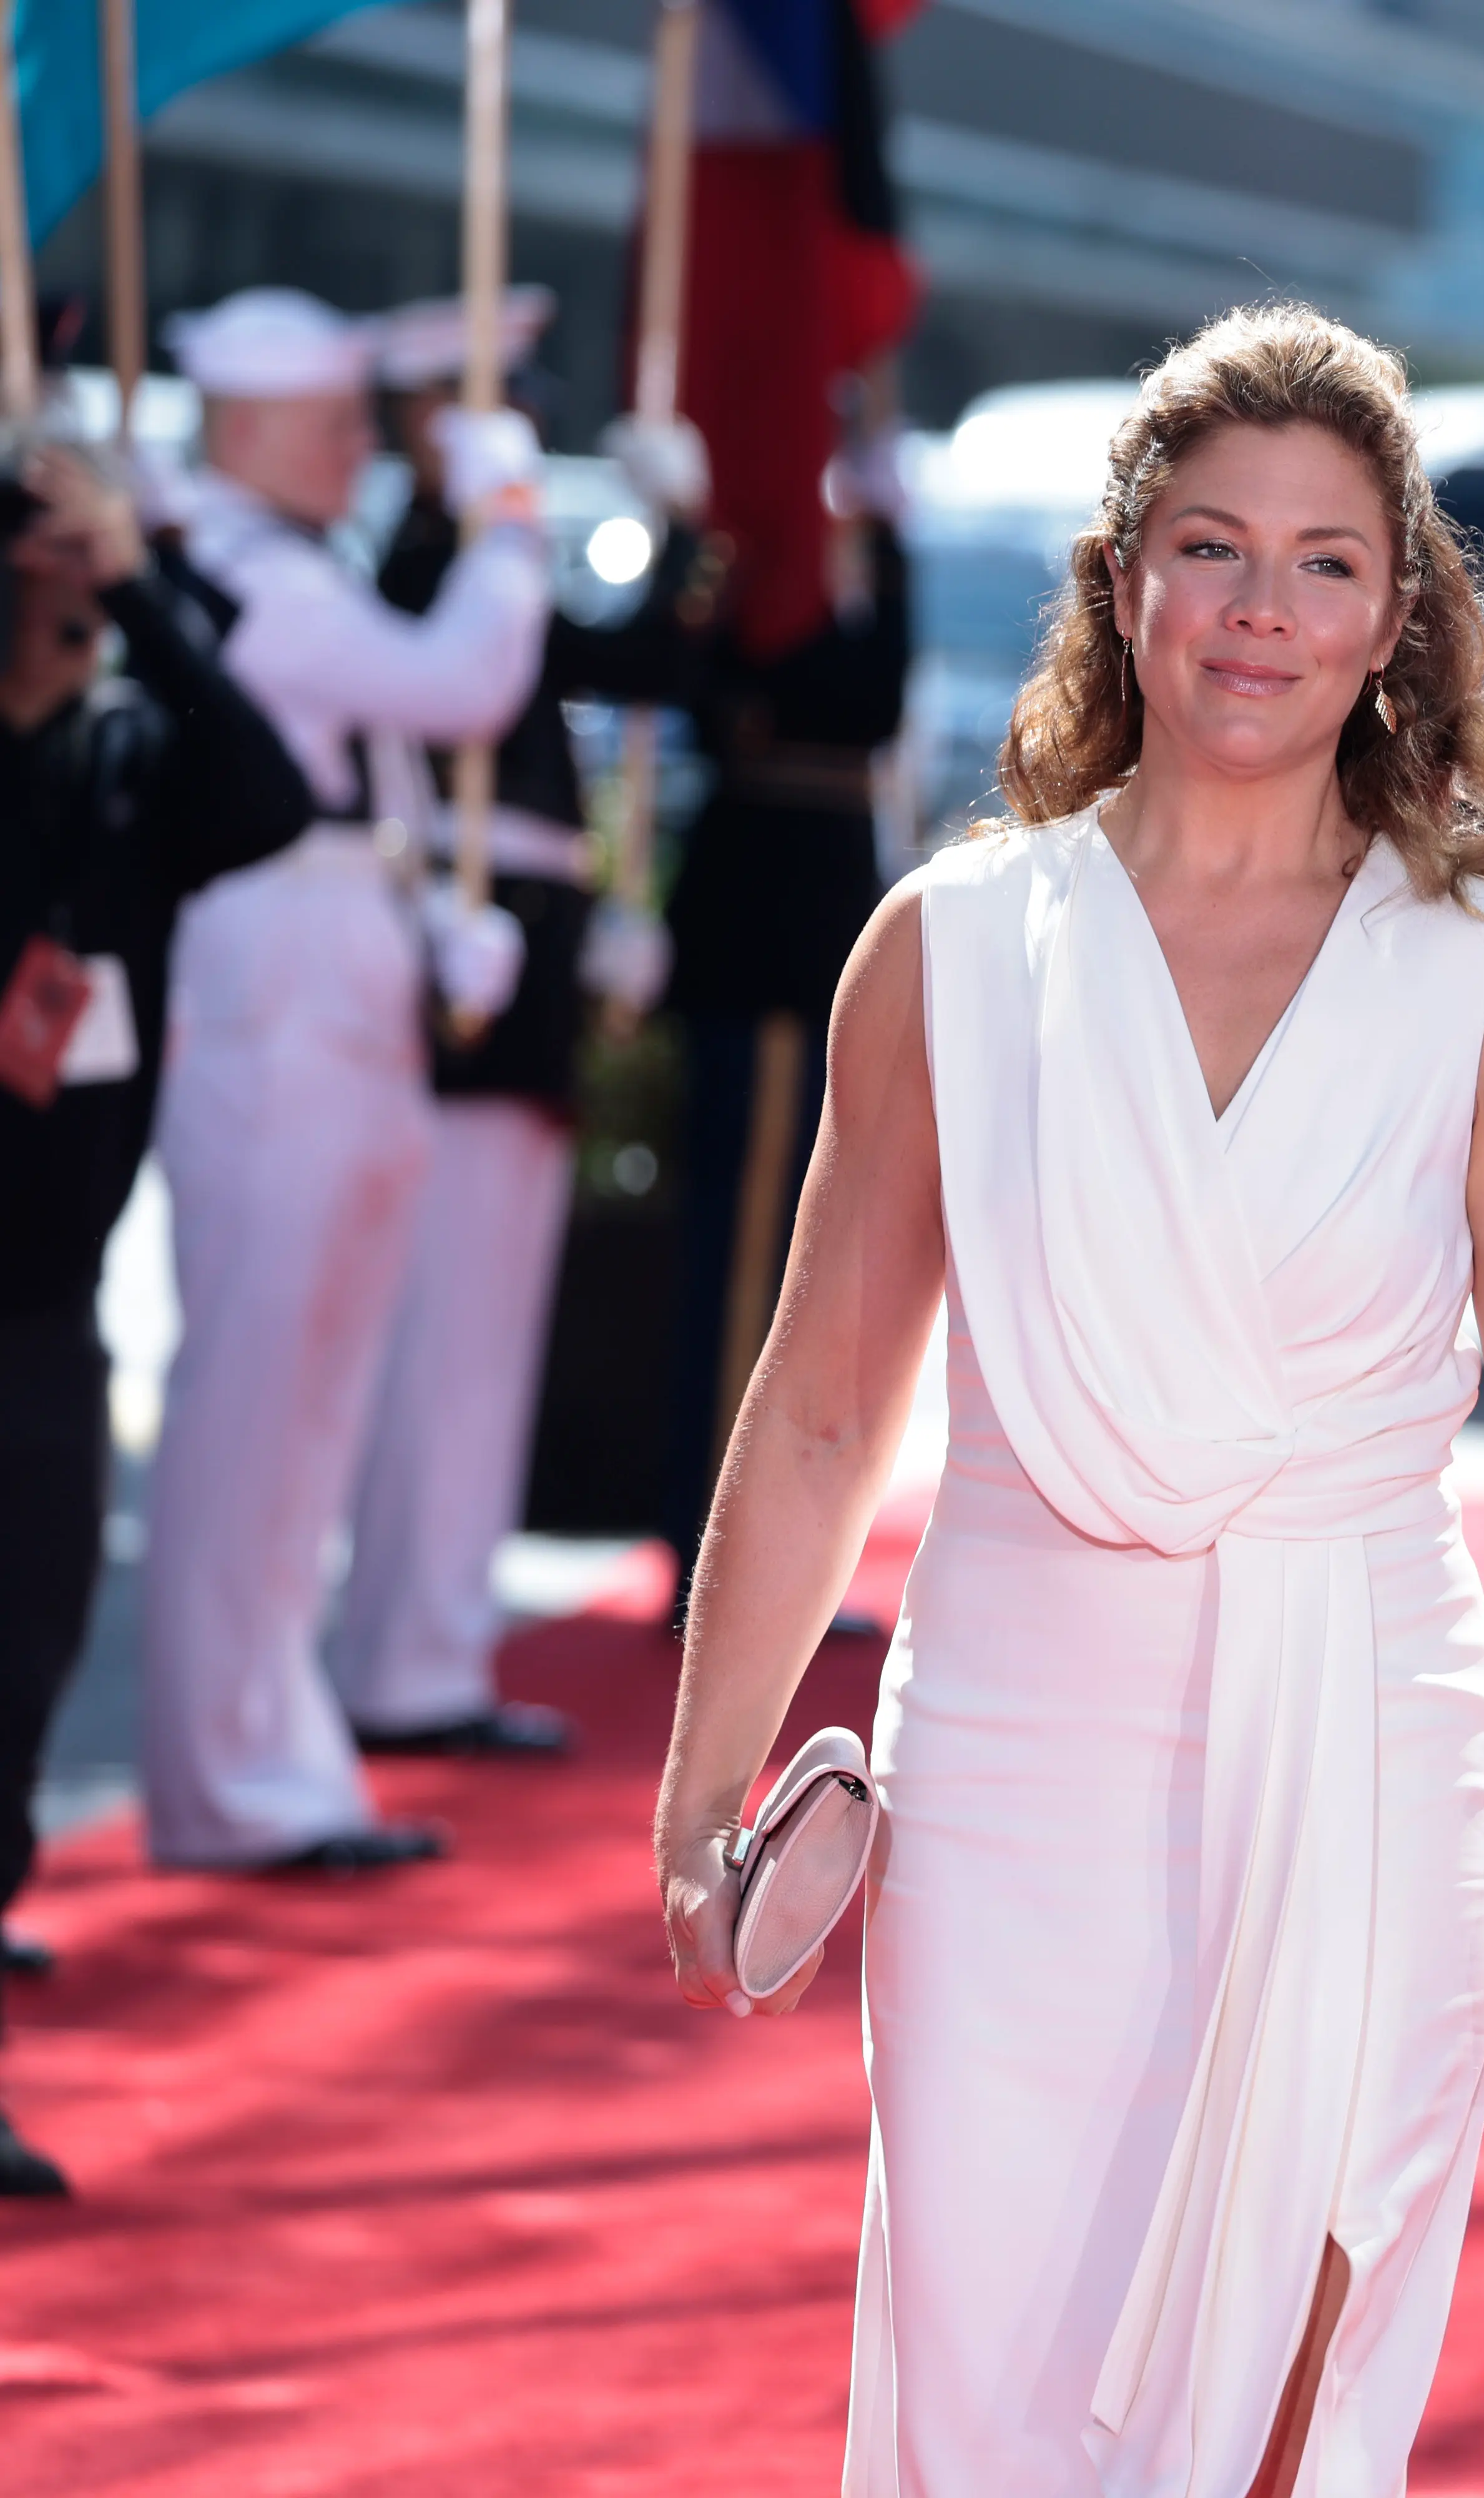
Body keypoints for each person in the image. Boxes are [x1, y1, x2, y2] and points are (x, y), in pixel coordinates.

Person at [652, 304, 1484, 2497]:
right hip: (1016, 1743)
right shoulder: (951, 945)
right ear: (1122, 578)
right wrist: (698, 1782)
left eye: (1325, 561)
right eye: (1213, 548)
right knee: (1001, 2370)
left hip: (1368, 1737)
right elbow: (827, 1407)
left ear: (1401, 616)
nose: (1262, 610)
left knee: (1291, 2389)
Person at [134, 285, 548, 1872]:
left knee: (306, 1411)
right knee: (256, 1404)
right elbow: (461, 684)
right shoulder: (248, 577)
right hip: (270, 1013)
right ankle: (226, 1775)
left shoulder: (279, 564)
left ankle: (272, 1755)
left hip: (334, 983)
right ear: (245, 435)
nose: (360, 451)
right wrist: (513, 515)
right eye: (333, 426)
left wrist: (428, 926)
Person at [324, 294, 717, 1755]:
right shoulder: (432, 560)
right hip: (468, 976)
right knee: (444, 1337)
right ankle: (404, 1658)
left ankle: (429, 1642)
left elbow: (636, 670)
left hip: (527, 958)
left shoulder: (477, 560)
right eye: (486, 409)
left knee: (480, 1336)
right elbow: (479, 679)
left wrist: (679, 538)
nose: (522, 434)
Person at [0, 444, 318, 2197]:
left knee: (19, 1678)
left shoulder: (126, 757)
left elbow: (267, 792)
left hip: (43, 1316)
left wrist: (136, 583)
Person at [653, 403, 910, 1617]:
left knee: (802, 1267)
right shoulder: (761, 582)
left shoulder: (817, 577)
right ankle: (720, 1539)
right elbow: (854, 692)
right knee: (750, 1254)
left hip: (802, 946)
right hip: (765, 944)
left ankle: (760, 1539)